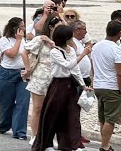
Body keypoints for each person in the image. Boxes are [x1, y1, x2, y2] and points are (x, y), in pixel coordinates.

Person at [32, 23, 92, 151]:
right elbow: (67, 65)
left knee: (72, 115)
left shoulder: (70, 50)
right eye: (70, 36)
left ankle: (72, 144)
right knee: (52, 115)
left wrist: (82, 85)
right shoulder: (55, 52)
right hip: (59, 85)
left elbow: (75, 70)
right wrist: (83, 55)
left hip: (71, 85)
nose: (72, 39)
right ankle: (46, 144)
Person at [90, 20, 121, 151]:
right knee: (110, 119)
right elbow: (120, 73)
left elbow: (93, 67)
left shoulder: (96, 46)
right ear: (119, 33)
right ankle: (104, 145)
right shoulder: (116, 49)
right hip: (112, 86)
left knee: (103, 117)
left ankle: (105, 143)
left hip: (99, 85)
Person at [25, 18, 59, 140]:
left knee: (51, 109)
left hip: (55, 76)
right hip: (40, 75)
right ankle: (35, 135)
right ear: (50, 27)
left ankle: (47, 136)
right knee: (37, 107)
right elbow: (25, 51)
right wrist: (28, 69)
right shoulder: (41, 39)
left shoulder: (61, 41)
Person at [0, 17, 31, 139]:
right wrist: (18, 40)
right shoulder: (4, 40)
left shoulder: (24, 41)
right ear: (15, 28)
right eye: (21, 26)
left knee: (23, 102)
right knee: (7, 102)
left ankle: (20, 132)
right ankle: (4, 124)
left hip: (22, 73)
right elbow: (11, 54)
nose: (24, 28)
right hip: (7, 73)